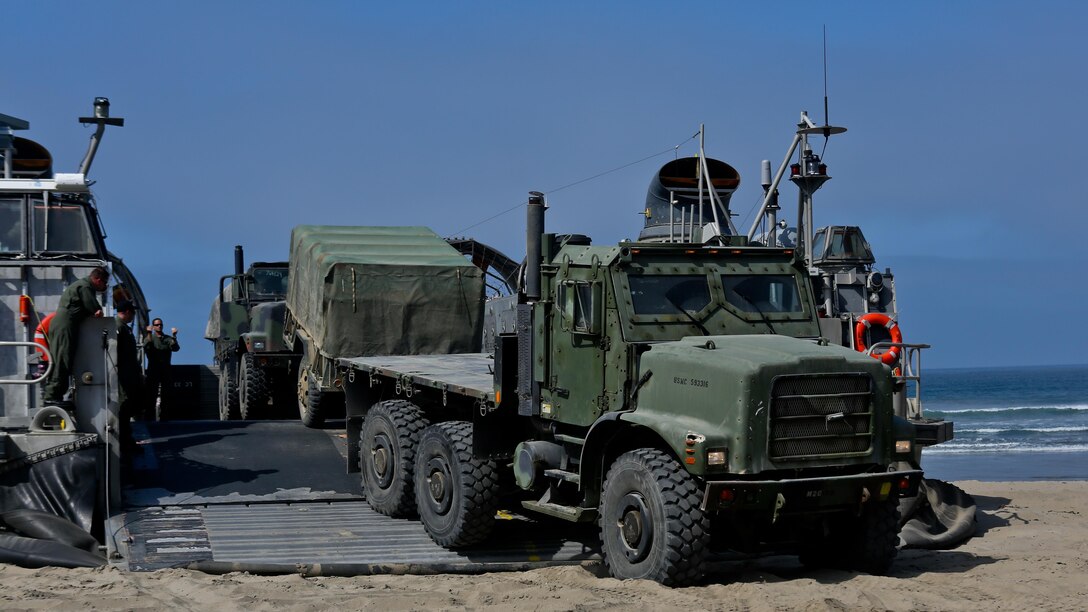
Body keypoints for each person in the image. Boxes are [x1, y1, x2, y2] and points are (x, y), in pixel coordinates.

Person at [43, 266, 108, 403]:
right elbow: (95, 309)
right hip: (65, 324)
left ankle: (55, 395)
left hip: (65, 324)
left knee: (63, 358)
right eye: (104, 282)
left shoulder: (82, 285)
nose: (105, 286)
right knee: (62, 359)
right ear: (97, 279)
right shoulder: (85, 287)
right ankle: (51, 396)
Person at [115, 300, 142, 450]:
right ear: (125, 311)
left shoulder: (124, 328)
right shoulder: (118, 327)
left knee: (128, 406)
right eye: (132, 312)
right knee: (123, 407)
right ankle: (124, 442)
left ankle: (127, 439)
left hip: (129, 375)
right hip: (123, 376)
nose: (133, 315)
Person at [143, 317, 180, 420]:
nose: (159, 326)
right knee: (151, 393)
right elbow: (148, 346)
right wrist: (149, 333)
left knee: (166, 393)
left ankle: (164, 415)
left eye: (160, 325)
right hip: (153, 369)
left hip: (165, 369)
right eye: (157, 325)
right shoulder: (150, 338)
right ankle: (149, 416)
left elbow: (175, 348)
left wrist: (174, 336)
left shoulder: (167, 338)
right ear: (153, 326)